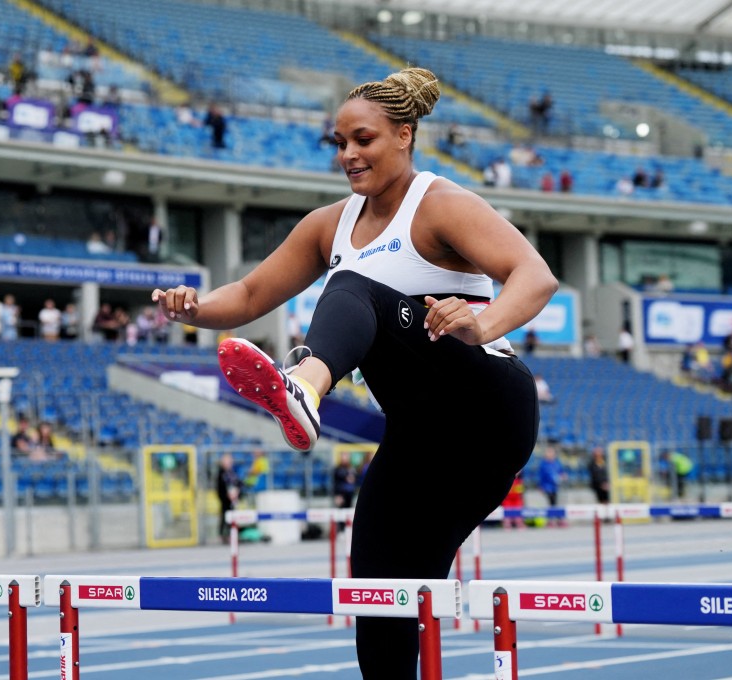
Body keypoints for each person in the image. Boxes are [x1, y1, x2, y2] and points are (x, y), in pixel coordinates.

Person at [152, 66, 556, 679]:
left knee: (351, 288)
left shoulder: (442, 205)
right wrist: (194, 306)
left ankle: (305, 388)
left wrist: (484, 323)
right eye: (338, 143)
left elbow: (535, 275)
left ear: (405, 134)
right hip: (420, 436)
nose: (347, 155)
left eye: (362, 139)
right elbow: (252, 292)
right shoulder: (329, 224)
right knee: (380, 590)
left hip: (485, 404)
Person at [216, 453, 241, 542]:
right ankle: (223, 535)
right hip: (225, 499)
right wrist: (227, 495)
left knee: (233, 516)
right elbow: (220, 487)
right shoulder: (221, 473)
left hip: (233, 499)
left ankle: (233, 534)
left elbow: (238, 483)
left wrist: (237, 492)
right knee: (224, 516)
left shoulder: (232, 473)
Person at [537, 446, 566, 523]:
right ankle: (552, 519)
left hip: (556, 487)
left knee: (556, 503)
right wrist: (541, 486)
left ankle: (558, 519)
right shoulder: (543, 464)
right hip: (548, 487)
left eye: (551, 452)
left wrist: (563, 476)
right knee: (551, 502)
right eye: (548, 452)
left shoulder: (557, 463)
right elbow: (541, 476)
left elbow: (561, 472)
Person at [332, 451, 357, 530]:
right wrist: (337, 495)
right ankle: (341, 529)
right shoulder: (337, 469)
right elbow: (335, 483)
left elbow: (355, 480)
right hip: (341, 494)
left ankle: (348, 529)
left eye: (346, 456)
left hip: (350, 494)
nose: (345, 458)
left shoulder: (352, 468)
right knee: (341, 513)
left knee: (349, 512)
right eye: (343, 456)